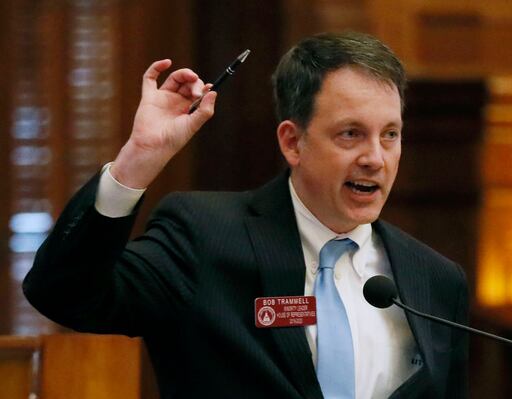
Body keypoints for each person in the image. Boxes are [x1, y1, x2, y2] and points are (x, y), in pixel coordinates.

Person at [23, 32, 468, 399]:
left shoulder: (433, 281)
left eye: (390, 135)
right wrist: (138, 160)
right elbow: (65, 294)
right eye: (351, 134)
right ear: (292, 142)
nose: (376, 158)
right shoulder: (204, 237)